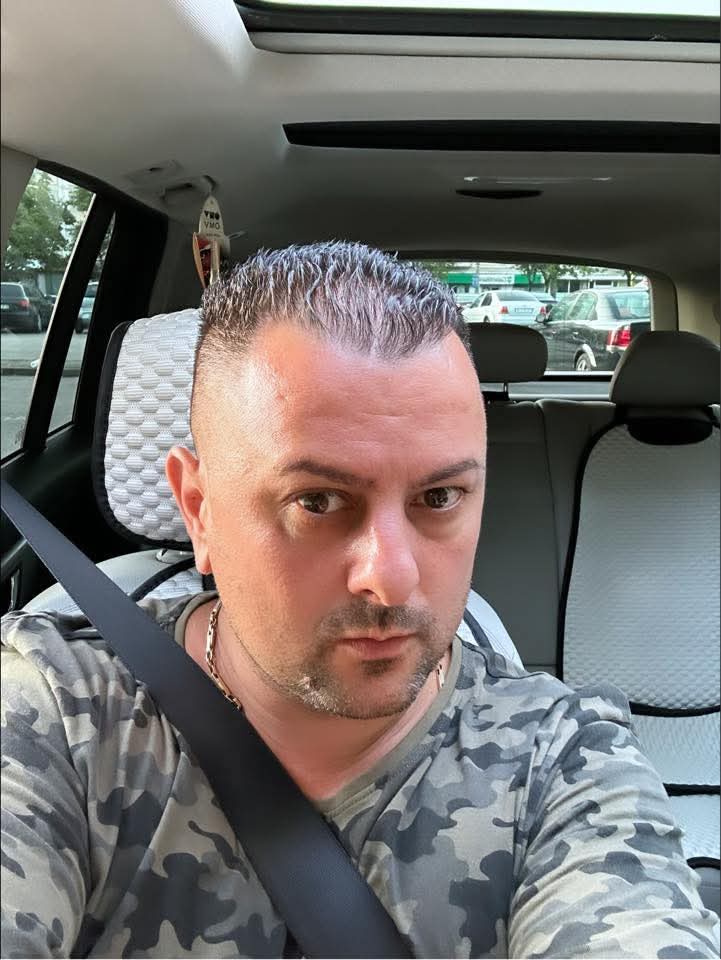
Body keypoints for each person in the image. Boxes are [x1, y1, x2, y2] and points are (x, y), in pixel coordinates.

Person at [1, 242, 718, 959]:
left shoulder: (563, 762)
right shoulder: (54, 714)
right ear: (199, 509)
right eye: (317, 501)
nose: (391, 578)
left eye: (440, 497)